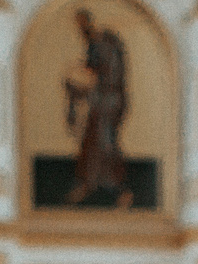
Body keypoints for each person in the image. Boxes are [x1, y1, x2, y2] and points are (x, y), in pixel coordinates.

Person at [64, 8, 131, 207]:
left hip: (108, 103)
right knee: (92, 144)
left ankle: (119, 190)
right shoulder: (98, 44)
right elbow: (92, 75)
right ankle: (88, 184)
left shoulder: (102, 44)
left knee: (105, 143)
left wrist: (76, 82)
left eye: (81, 24)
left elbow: (97, 75)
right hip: (102, 102)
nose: (80, 29)